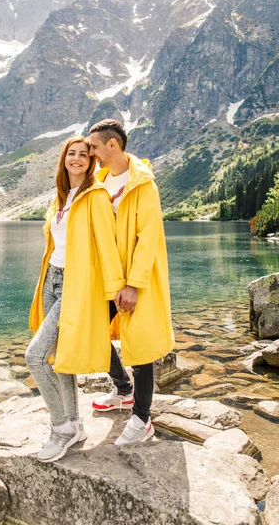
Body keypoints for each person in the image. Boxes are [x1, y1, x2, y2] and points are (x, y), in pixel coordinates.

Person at [26, 135, 125, 462]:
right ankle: (76, 425)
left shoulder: (96, 196)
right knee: (60, 357)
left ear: (91, 160)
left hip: (76, 286)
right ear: (64, 159)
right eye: (72, 153)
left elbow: (108, 248)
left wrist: (115, 292)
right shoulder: (61, 197)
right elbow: (55, 247)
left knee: (35, 356)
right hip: (53, 280)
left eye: (84, 154)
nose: (78, 158)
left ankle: (61, 428)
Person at [88, 119, 175, 445]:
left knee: (140, 348)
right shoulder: (96, 182)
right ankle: (123, 389)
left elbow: (148, 238)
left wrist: (134, 285)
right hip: (105, 279)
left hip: (135, 281)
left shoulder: (143, 184)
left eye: (94, 146)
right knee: (93, 329)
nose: (90, 152)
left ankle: (142, 419)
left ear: (113, 145)